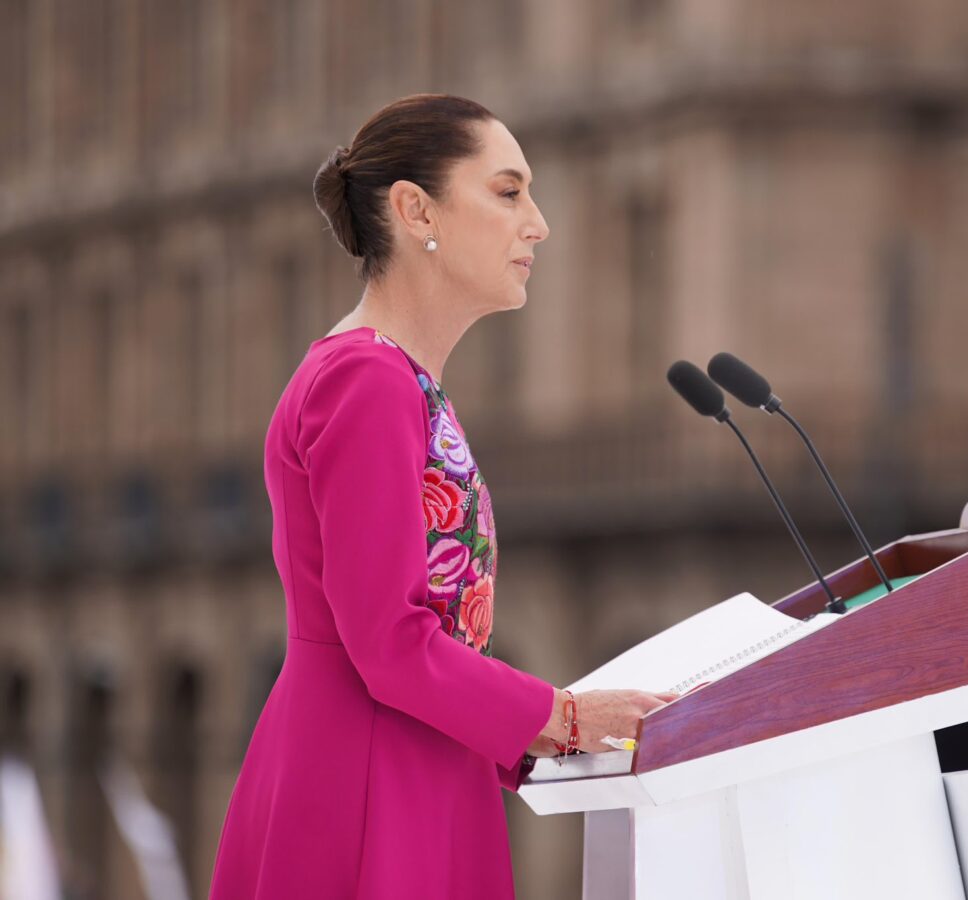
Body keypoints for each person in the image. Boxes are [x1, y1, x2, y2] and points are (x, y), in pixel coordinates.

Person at [207, 93, 678, 900]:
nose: (538, 223)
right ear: (415, 208)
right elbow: (390, 640)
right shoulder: (366, 379)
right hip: (369, 781)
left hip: (413, 758)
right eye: (507, 191)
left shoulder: (399, 379)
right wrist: (569, 716)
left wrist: (548, 738)